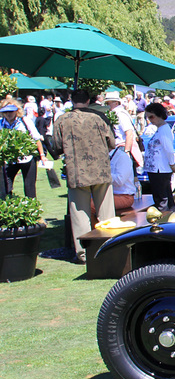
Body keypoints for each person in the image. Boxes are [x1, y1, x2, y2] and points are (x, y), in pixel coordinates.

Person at [52, 89, 117, 264]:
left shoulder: (62, 120)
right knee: (107, 214)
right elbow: (112, 142)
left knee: (80, 215)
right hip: (100, 170)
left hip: (77, 171)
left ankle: (83, 254)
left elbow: (56, 146)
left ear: (71, 100)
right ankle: (111, 248)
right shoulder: (99, 118)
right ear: (88, 101)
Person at [0, 100, 48, 198]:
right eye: (5, 112)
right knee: (5, 186)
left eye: (11, 111)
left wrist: (42, 155)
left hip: (27, 158)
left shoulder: (24, 121)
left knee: (29, 187)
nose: (8, 114)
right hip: (10, 160)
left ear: (17, 111)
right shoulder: (1, 123)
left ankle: (31, 209)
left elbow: (36, 138)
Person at [142, 102, 175, 212]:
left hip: (160, 169)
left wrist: (172, 164)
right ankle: (171, 218)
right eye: (147, 117)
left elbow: (169, 149)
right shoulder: (161, 129)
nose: (150, 120)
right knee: (165, 197)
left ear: (159, 114)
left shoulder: (163, 130)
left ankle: (165, 221)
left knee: (161, 199)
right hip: (157, 169)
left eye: (151, 117)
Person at [103, 90, 142, 167]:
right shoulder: (115, 113)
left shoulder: (120, 114)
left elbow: (129, 133)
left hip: (122, 147)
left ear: (116, 103)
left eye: (108, 103)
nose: (107, 105)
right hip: (119, 147)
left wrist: (126, 151)